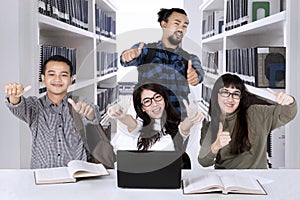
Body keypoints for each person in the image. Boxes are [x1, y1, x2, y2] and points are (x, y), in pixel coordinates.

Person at [4, 55, 104, 169]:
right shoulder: (35, 105)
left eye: (63, 75)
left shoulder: (80, 103)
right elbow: (18, 106)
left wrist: (89, 114)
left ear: (71, 79)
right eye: (52, 74)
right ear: (43, 78)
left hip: (77, 174)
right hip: (43, 174)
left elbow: (94, 115)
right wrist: (14, 97)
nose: (57, 79)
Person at [198, 73, 297, 169]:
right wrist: (216, 146)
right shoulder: (209, 128)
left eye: (235, 94)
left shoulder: (257, 113)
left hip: (257, 178)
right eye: (225, 92)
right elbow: (204, 162)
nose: (230, 98)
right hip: (227, 179)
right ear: (216, 95)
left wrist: (290, 101)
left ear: (240, 98)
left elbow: (287, 114)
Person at [120, 8, 204, 120]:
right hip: (149, 123)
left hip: (179, 121)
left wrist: (196, 76)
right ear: (164, 24)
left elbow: (199, 73)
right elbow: (125, 59)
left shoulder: (190, 58)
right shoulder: (146, 51)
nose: (181, 29)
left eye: (185, 26)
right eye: (176, 23)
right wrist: (127, 56)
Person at [108, 82, 204, 168]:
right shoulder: (139, 127)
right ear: (142, 108)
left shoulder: (175, 125)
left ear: (164, 100)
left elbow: (184, 127)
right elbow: (129, 121)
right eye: (147, 101)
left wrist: (191, 119)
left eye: (157, 97)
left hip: (170, 179)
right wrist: (120, 115)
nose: (154, 104)